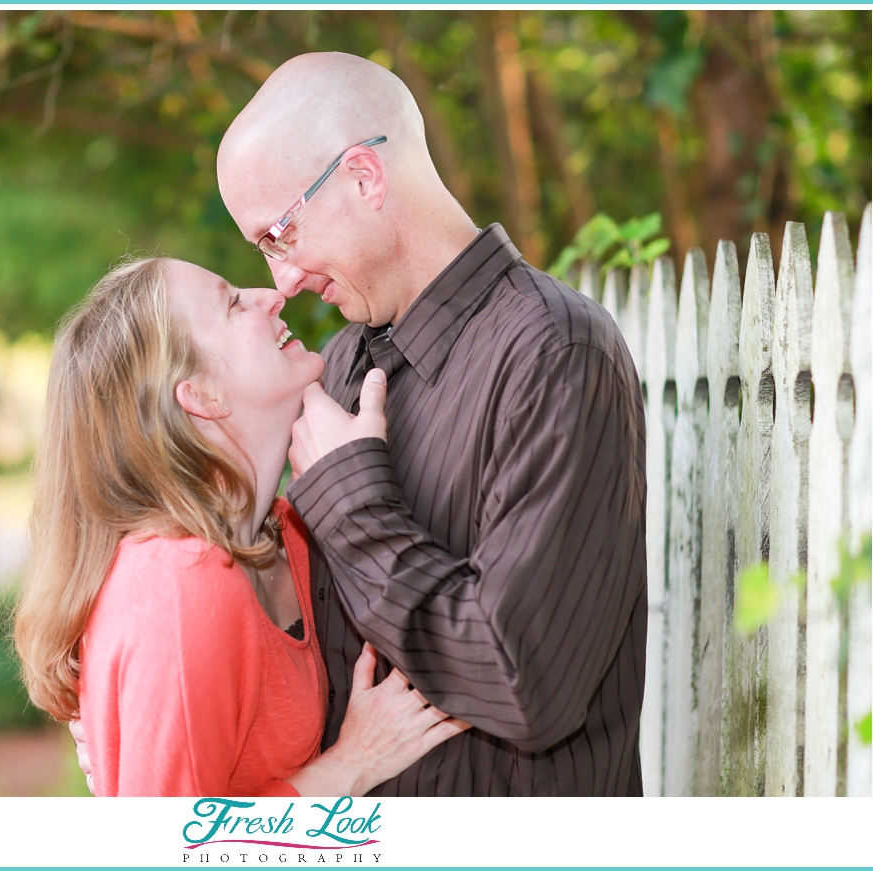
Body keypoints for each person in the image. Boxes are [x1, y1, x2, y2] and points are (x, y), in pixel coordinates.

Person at [212, 51, 648, 796]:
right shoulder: (344, 364)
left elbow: (525, 684)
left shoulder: (558, 351)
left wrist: (351, 501)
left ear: (363, 177)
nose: (282, 280)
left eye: (279, 234)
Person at [13, 256, 467, 797]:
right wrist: (353, 763)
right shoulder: (182, 582)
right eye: (231, 302)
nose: (271, 295)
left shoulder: (289, 535)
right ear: (200, 396)